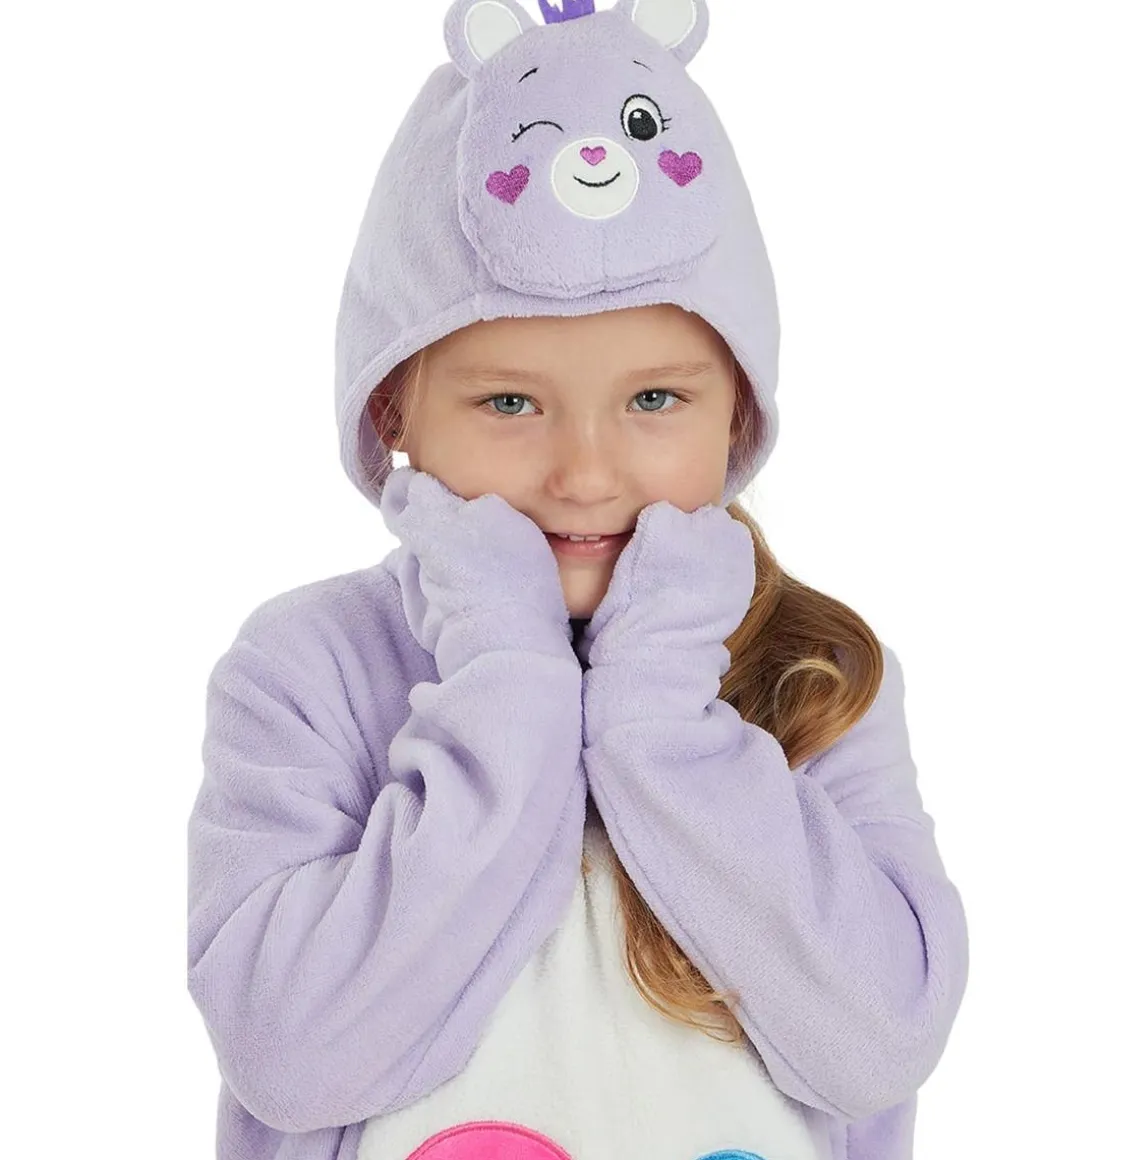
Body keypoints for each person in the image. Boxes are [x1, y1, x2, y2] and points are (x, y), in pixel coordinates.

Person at [186, 2, 970, 1159]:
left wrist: (658, 716)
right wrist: (509, 683)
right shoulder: (306, 670)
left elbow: (875, 1045)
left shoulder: (817, 672)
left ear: (737, 412)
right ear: (393, 409)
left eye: (654, 398)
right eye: (509, 401)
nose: (586, 473)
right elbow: (292, 1058)